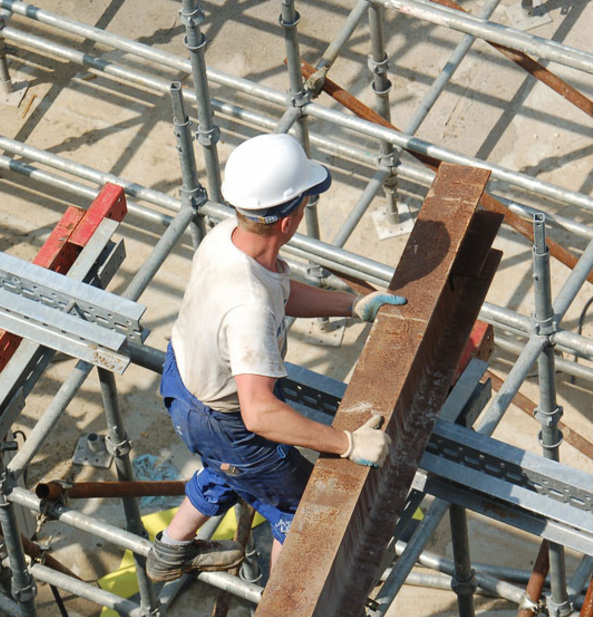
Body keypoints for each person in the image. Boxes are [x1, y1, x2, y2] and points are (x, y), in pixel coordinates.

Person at [145, 133, 406, 584]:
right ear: (287, 221)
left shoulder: (227, 238)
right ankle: (283, 602)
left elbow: (277, 292)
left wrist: (351, 305)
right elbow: (261, 415)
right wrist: (347, 443)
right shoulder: (248, 306)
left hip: (185, 380)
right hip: (226, 417)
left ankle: (171, 549)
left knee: (233, 467)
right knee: (302, 506)